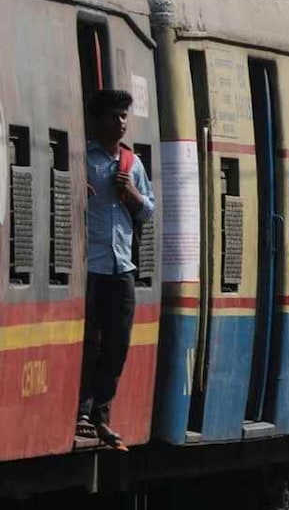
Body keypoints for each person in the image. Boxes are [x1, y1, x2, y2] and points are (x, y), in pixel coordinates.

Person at [78, 89, 155, 450]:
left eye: (124, 116)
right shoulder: (85, 160)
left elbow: (147, 212)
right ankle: (83, 409)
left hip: (120, 267)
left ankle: (101, 416)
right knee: (89, 343)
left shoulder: (132, 165)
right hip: (90, 267)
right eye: (114, 116)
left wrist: (133, 195)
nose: (121, 123)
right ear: (98, 120)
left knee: (118, 345)